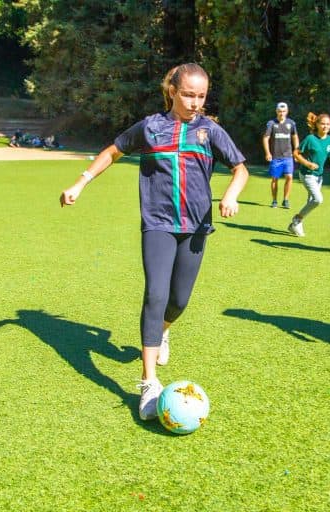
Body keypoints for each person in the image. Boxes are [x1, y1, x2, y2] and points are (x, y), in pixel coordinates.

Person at [59, 63, 249, 420]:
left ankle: (162, 331)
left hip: (196, 227)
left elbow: (240, 167)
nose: (195, 102)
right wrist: (80, 182)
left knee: (178, 301)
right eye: (188, 94)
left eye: (202, 96)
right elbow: (112, 151)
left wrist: (232, 194)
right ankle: (148, 383)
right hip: (158, 224)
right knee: (156, 295)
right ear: (172, 91)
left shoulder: (210, 131)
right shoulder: (150, 127)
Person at [287, 113, 330, 236]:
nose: (325, 126)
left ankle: (295, 226)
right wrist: (308, 164)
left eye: (328, 124)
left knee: (311, 201)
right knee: (318, 200)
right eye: (323, 123)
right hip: (307, 174)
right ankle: (297, 219)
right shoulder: (310, 139)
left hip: (319, 176)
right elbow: (296, 153)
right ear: (317, 125)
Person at [262, 102, 299, 209]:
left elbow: (295, 137)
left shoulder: (291, 123)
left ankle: (286, 200)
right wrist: (268, 153)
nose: (281, 113)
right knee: (275, 179)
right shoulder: (271, 123)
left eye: (283, 111)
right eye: (279, 111)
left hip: (288, 156)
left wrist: (296, 151)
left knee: (289, 177)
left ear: (287, 112)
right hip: (275, 157)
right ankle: (274, 200)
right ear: (276, 112)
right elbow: (265, 138)